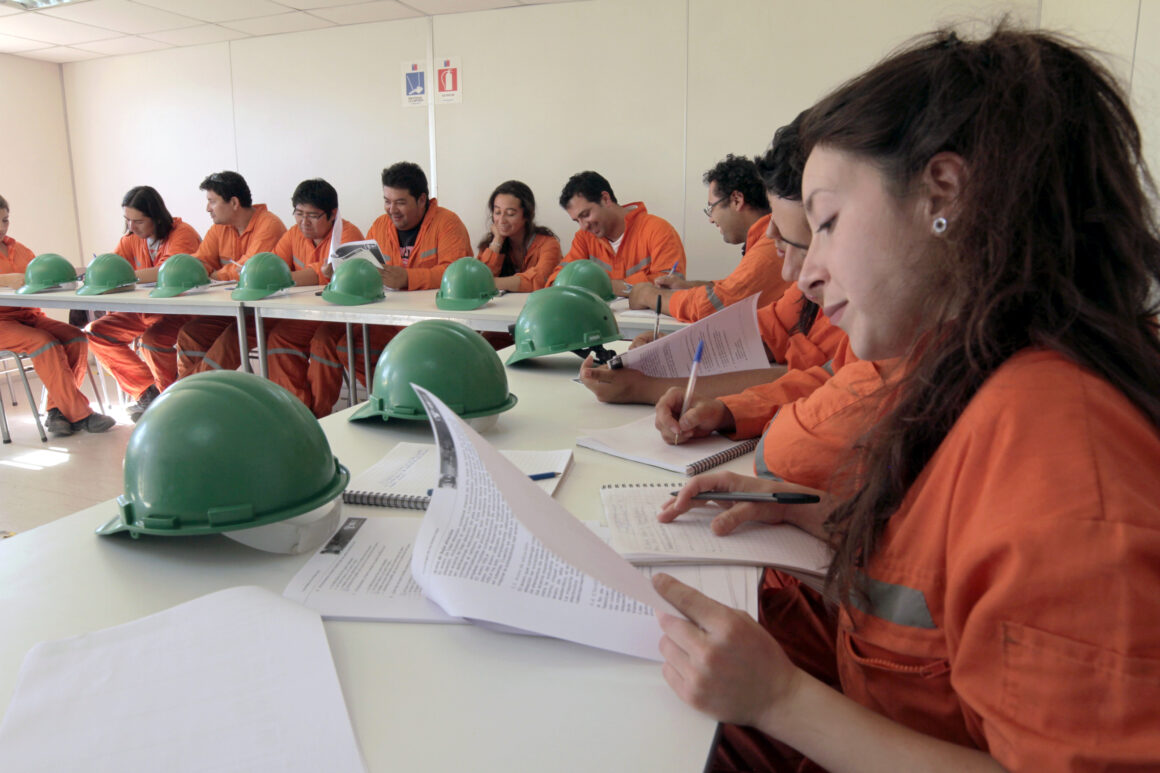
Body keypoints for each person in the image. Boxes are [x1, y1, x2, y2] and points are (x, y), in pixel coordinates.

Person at [654, 27, 1160, 771]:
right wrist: (822, 516)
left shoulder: (1058, 449)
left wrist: (780, 701)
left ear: (942, 194)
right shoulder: (963, 373)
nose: (807, 275)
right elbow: (953, 579)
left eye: (825, 223)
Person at [305, 162, 472, 411]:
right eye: (387, 200)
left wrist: (408, 278)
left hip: (433, 324)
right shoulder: (380, 226)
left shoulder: (447, 223)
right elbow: (365, 269)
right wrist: (339, 273)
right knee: (328, 339)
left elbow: (456, 273)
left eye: (400, 202)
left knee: (348, 344)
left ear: (422, 199)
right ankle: (388, 401)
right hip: (387, 319)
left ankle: (406, 402)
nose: (391, 209)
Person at [0, 195, 115, 436]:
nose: (2, 227)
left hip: (29, 316)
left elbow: (37, 281)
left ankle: (56, 411)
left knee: (76, 337)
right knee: (44, 342)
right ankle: (81, 414)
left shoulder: (19, 249)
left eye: (5, 220)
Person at [84, 186, 201, 420]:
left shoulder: (182, 234)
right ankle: (149, 392)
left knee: (153, 339)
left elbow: (166, 273)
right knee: (95, 332)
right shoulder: (131, 239)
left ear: (156, 218)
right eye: (127, 220)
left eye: (137, 221)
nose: (131, 227)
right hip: (145, 311)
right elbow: (113, 265)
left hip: (180, 311)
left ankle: (170, 400)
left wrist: (122, 275)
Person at [628, 154, 789, 320]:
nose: (711, 219)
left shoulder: (770, 248)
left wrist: (649, 296)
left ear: (736, 200)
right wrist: (686, 286)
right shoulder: (764, 243)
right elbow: (734, 288)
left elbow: (716, 306)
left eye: (711, 207)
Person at [264, 178, 363, 417]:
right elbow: (274, 268)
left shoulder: (348, 234)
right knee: (279, 338)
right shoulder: (292, 235)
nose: (303, 222)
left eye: (313, 215)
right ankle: (297, 412)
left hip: (341, 316)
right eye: (298, 213)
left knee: (323, 342)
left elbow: (317, 274)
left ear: (332, 215)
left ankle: (319, 415)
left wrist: (291, 277)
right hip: (306, 314)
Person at [177, 171, 286, 376]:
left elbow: (248, 272)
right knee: (190, 334)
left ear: (234, 202)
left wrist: (213, 275)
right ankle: (189, 397)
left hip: (263, 314)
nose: (207, 209)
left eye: (212, 201)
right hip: (229, 310)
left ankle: (191, 396)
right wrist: (198, 272)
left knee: (231, 339)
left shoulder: (269, 225)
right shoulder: (219, 228)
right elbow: (200, 264)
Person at [552, 171, 685, 295]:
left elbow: (670, 285)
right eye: (577, 221)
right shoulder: (584, 238)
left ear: (605, 199)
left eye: (586, 215)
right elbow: (558, 281)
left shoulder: (658, 230)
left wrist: (604, 286)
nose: (583, 226)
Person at [476, 180, 561, 293]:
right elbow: (478, 275)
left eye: (510, 214)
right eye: (497, 212)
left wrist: (490, 283)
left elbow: (540, 281)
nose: (501, 220)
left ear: (527, 215)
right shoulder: (491, 243)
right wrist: (497, 240)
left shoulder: (548, 244)